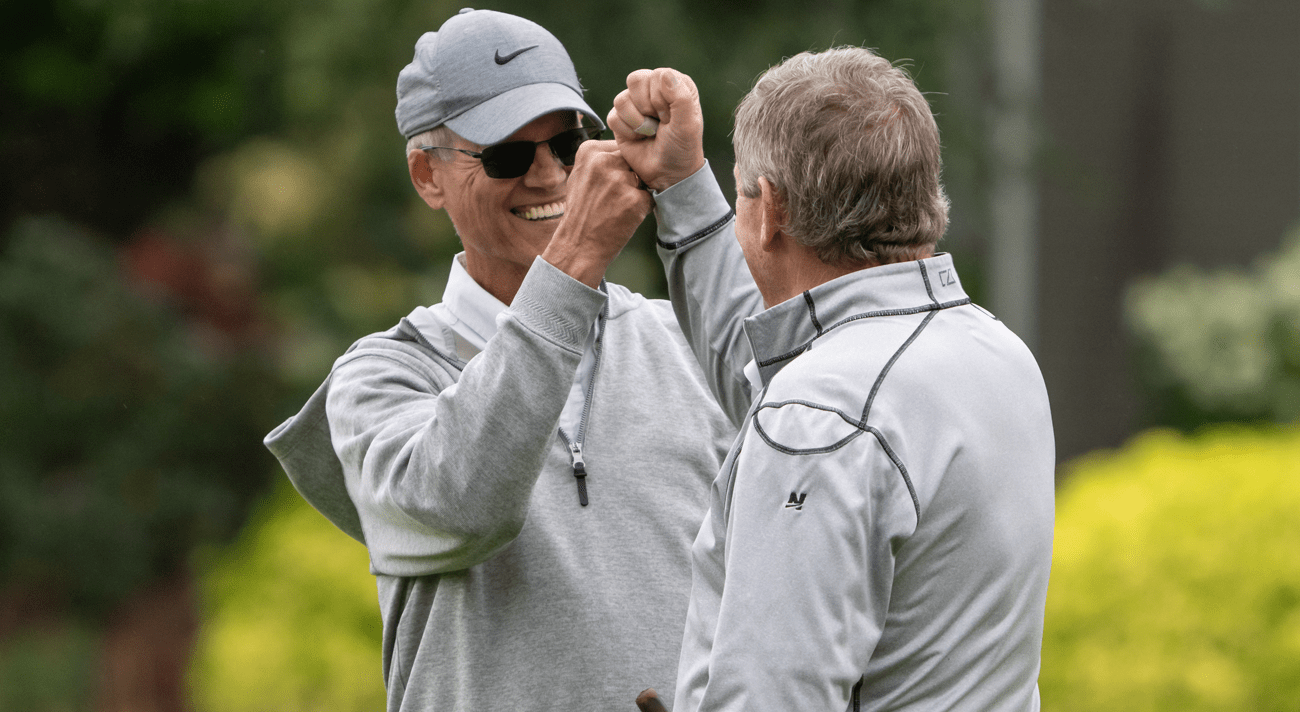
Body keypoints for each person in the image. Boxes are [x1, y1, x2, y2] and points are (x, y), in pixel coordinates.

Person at [262, 9, 736, 712]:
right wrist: (574, 260)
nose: (547, 175)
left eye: (568, 145)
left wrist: (690, 186)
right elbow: (463, 505)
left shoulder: (682, 342)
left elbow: (819, 431)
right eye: (508, 156)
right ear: (428, 175)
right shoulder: (380, 380)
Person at [608, 48, 1056, 711]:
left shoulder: (820, 410)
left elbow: (774, 695)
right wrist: (682, 186)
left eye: (741, 193)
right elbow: (778, 363)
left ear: (771, 212)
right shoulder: (997, 352)